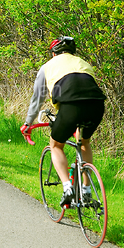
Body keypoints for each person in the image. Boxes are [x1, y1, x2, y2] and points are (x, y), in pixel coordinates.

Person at [20, 36, 106, 207]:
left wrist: (28, 123)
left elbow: (37, 99)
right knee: (84, 143)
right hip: (97, 105)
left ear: (54, 54)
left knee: (56, 145)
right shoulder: (84, 64)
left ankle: (67, 187)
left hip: (70, 107)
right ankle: (87, 190)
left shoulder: (47, 67)